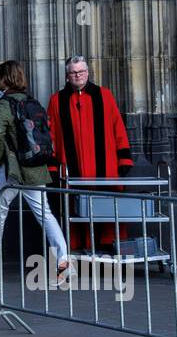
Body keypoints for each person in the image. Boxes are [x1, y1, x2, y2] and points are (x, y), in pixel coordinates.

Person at [0, 60, 69, 282]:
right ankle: (63, 257)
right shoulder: (31, 102)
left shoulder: (4, 103)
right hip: (35, 167)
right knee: (45, 213)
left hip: (11, 170)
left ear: (5, 78)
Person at [46, 56, 133, 250]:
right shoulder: (56, 100)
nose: (78, 75)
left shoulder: (104, 96)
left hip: (105, 169)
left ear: (88, 72)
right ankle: (78, 253)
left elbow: (118, 127)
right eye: (73, 72)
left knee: (108, 210)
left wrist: (124, 160)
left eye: (81, 71)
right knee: (74, 210)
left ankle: (109, 252)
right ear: (67, 76)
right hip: (71, 169)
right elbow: (50, 136)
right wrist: (52, 166)